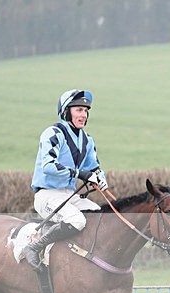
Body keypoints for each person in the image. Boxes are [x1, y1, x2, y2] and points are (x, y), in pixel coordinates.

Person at [24, 89, 108, 271]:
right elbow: (48, 166)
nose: (84, 114)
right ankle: (34, 247)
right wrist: (80, 174)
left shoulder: (87, 140)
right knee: (77, 220)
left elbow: (95, 167)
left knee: (102, 217)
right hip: (47, 196)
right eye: (79, 110)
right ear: (66, 112)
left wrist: (101, 180)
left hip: (70, 196)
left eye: (86, 111)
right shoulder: (53, 133)